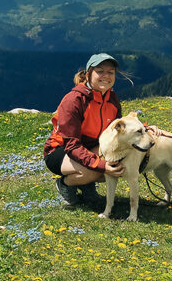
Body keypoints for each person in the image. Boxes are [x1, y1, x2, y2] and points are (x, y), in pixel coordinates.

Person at [44, 53, 126, 208]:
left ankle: (86, 184)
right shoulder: (74, 101)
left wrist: (146, 132)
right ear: (88, 74)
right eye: (100, 71)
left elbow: (119, 129)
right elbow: (72, 145)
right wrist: (101, 165)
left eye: (110, 72)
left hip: (89, 147)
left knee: (118, 164)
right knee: (99, 170)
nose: (105, 76)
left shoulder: (112, 98)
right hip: (60, 151)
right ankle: (65, 184)